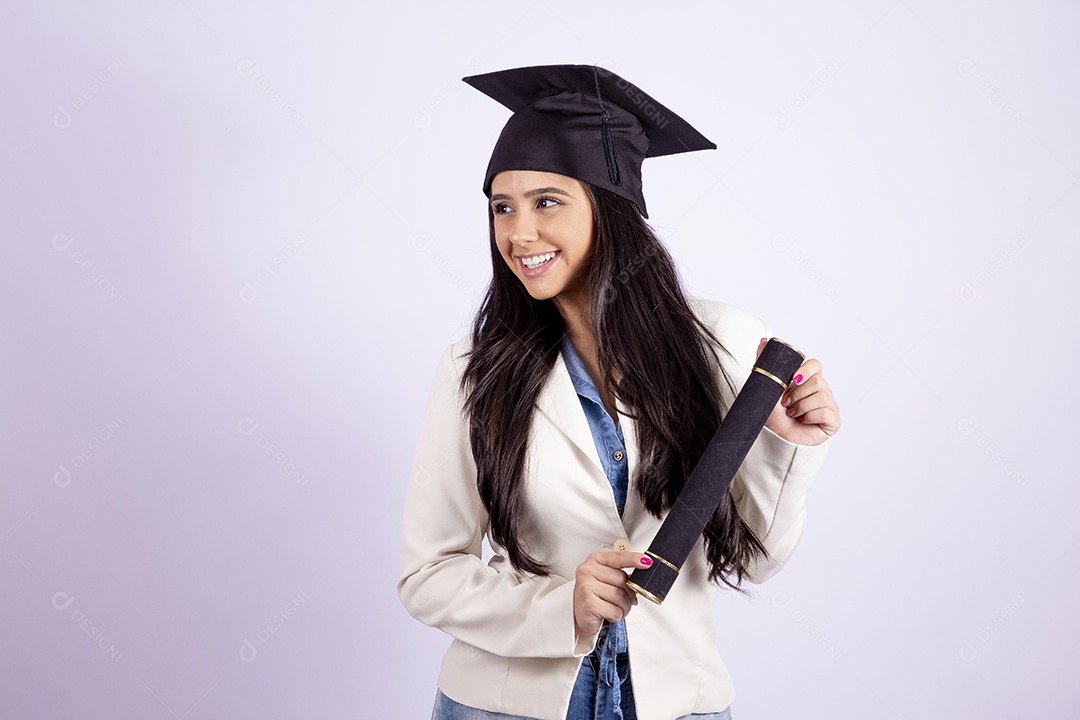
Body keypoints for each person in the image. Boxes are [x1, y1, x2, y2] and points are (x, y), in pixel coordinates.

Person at [398, 65, 841, 720]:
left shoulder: (721, 344)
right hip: (503, 707)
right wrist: (558, 608)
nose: (519, 233)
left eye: (547, 201)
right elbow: (426, 575)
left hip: (676, 702)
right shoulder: (474, 369)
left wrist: (788, 449)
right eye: (502, 207)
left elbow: (755, 559)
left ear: (610, 210)